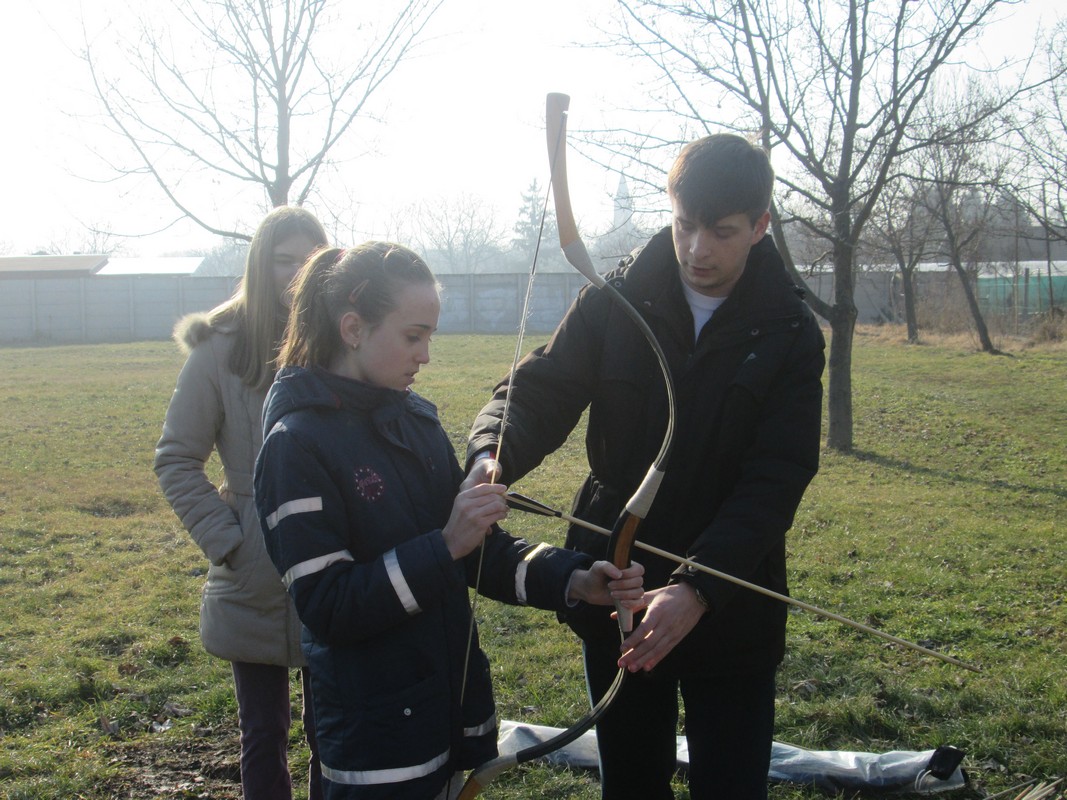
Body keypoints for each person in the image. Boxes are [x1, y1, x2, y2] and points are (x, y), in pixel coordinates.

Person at [466, 133, 825, 799]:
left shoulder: (790, 330)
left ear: (759, 226)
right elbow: (539, 392)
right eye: (685, 225)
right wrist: (491, 455)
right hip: (618, 580)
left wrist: (699, 588)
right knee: (631, 780)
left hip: (732, 592)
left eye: (721, 232)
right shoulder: (615, 300)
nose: (697, 250)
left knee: (731, 784)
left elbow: (777, 476)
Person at [252, 242, 644, 800]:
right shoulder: (296, 446)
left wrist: (574, 579)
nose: (426, 355)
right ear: (353, 329)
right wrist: (445, 545)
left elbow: (477, 552)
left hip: (446, 715)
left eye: (430, 336)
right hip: (376, 746)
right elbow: (329, 605)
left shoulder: (416, 422)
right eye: (413, 336)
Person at [154, 206, 329, 800]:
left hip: (335, 555)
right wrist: (228, 538)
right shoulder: (218, 349)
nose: (297, 274)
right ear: (259, 265)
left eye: (310, 260)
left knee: (333, 729)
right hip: (253, 570)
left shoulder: (342, 340)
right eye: (284, 261)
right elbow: (176, 458)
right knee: (262, 731)